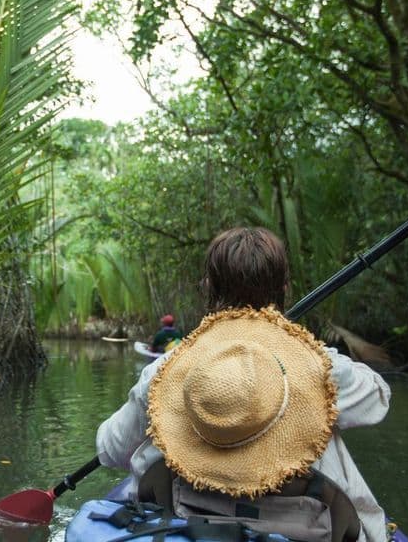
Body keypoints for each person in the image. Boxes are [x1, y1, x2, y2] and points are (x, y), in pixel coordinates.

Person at [96, 227, 391, 542]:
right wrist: (302, 352)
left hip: (187, 525)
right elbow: (378, 398)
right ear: (284, 289)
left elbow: (110, 450)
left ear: (208, 287)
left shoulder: (164, 372)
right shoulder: (323, 369)